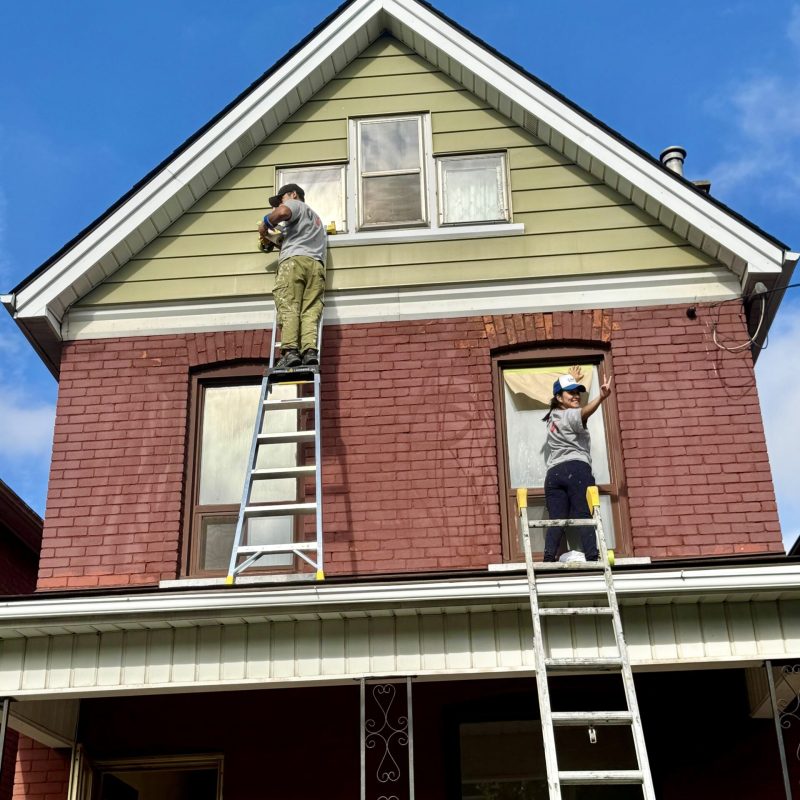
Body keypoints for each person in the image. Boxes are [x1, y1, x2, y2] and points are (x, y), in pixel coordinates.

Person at [542, 372, 612, 562]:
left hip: (554, 474)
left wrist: (570, 381)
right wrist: (601, 397)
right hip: (576, 469)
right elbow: (583, 412)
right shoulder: (571, 414)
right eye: (570, 393)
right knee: (582, 513)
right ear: (558, 397)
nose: (576, 396)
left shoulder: (551, 417)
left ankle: (548, 558)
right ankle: (591, 556)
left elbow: (566, 399)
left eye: (577, 392)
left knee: (556, 520)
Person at [258, 183, 327, 368]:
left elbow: (282, 214)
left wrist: (265, 223)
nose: (279, 205)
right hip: (316, 266)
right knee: (310, 310)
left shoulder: (296, 205)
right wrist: (271, 241)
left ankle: (290, 352)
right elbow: (294, 240)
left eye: (281, 200)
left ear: (293, 194)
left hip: (294, 264)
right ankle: (309, 351)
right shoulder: (317, 221)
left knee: (288, 305)